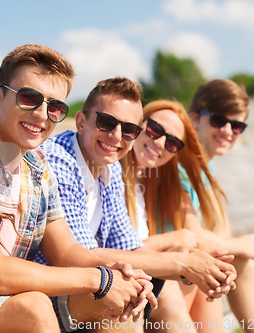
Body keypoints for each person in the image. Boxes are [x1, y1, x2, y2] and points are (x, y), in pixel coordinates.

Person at [0, 44, 157, 333]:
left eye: (55, 107)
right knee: (33, 306)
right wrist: (97, 279)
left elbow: (67, 250)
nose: (42, 114)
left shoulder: (37, 165)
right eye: (30, 98)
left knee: (117, 301)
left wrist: (116, 273)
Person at [34, 78, 236, 328]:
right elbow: (80, 255)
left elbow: (129, 248)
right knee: (122, 294)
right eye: (106, 122)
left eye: (129, 130)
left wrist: (206, 267)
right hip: (42, 293)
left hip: (82, 284)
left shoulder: (111, 170)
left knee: (161, 289)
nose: (116, 136)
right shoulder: (59, 158)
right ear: (81, 122)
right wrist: (183, 264)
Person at [184, 79, 254, 333]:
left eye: (236, 125)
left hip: (189, 266)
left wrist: (232, 246)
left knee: (235, 264)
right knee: (240, 262)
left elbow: (220, 226)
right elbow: (192, 235)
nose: (227, 131)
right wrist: (242, 245)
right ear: (194, 119)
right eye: (218, 120)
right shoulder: (181, 162)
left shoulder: (204, 165)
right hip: (168, 265)